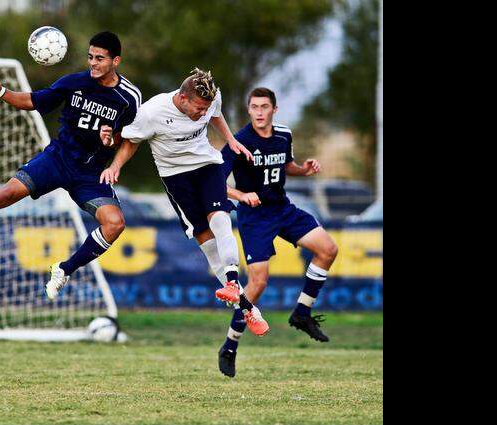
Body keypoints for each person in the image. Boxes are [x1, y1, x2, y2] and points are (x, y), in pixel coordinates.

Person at [0, 31, 142, 301]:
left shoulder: (129, 97)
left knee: (115, 224)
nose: (93, 63)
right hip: (57, 159)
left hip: (90, 173)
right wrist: (1, 91)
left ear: (115, 61)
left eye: (100, 58)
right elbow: (33, 101)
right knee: (7, 193)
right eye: (90, 57)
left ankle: (64, 270)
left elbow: (132, 138)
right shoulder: (73, 83)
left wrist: (112, 150)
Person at [97, 68, 268, 336]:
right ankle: (247, 308)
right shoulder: (152, 112)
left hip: (207, 165)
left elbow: (216, 114)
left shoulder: (211, 99)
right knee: (207, 243)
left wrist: (231, 140)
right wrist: (114, 166)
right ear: (183, 97)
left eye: (206, 107)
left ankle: (232, 283)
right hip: (175, 177)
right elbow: (130, 141)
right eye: (198, 108)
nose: (203, 113)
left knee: (221, 219)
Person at [215, 87, 338, 377]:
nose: (259, 112)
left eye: (264, 107)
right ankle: (230, 346)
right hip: (255, 217)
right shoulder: (239, 141)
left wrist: (304, 169)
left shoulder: (283, 134)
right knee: (258, 283)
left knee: (328, 249)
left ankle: (302, 313)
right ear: (249, 110)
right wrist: (241, 195)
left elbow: (286, 166)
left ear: (274, 109)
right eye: (254, 107)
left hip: (282, 209)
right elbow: (215, 181)